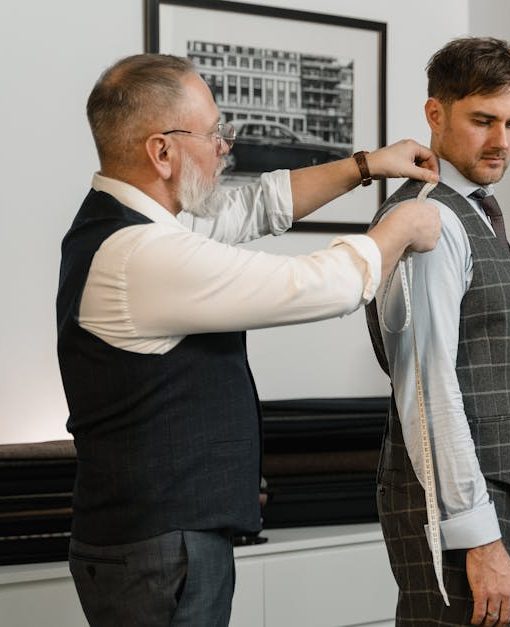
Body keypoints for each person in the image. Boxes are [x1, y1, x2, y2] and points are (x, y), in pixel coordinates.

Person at [57, 53, 440, 627]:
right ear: (161, 152)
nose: (224, 148)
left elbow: (256, 205)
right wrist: (400, 228)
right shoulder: (141, 255)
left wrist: (367, 165)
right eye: (213, 134)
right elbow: (316, 284)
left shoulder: (129, 223)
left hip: (153, 541)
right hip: (161, 550)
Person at [365, 37, 510, 626]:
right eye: (483, 121)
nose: (502, 141)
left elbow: (492, 371)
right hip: (452, 510)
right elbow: (429, 393)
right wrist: (480, 537)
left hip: (491, 499)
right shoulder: (432, 220)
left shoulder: (474, 210)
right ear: (435, 114)